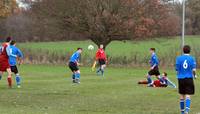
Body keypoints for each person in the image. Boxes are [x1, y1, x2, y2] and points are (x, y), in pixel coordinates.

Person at [175, 45, 197, 114]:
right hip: (189, 78)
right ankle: (187, 111)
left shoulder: (179, 58)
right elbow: (193, 69)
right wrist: (195, 75)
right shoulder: (192, 58)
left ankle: (182, 112)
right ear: (190, 50)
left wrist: (179, 74)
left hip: (181, 78)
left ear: (183, 50)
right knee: (188, 95)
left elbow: (177, 69)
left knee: (182, 95)